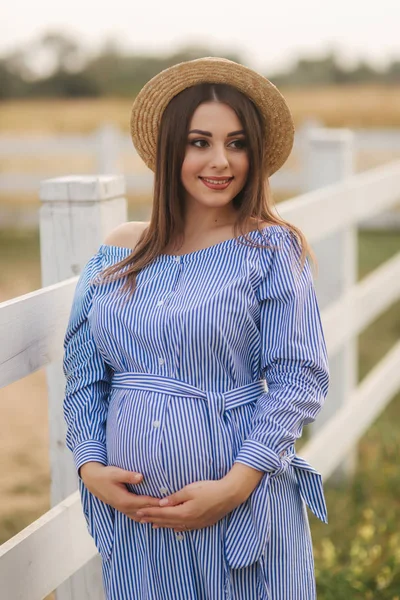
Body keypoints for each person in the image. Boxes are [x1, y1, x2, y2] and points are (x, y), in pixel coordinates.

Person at [63, 56, 330, 600]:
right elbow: (84, 371)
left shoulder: (271, 249)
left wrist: (234, 487)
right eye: (199, 141)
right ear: (170, 150)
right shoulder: (120, 249)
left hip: (239, 509)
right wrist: (91, 466)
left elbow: (298, 379)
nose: (220, 161)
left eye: (236, 143)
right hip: (139, 524)